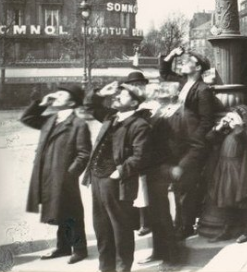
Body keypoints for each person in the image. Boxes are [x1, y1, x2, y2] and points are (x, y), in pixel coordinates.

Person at [84, 82, 151, 272]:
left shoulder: (140, 124)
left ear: (134, 102)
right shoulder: (110, 116)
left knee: (120, 228)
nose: (118, 96)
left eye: (124, 94)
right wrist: (100, 92)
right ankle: (105, 267)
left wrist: (119, 172)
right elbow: (90, 106)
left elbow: (140, 156)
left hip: (117, 182)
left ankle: (123, 268)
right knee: (101, 226)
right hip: (97, 178)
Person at [22, 84, 91, 265]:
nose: (56, 96)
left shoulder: (78, 124)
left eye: (61, 94)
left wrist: (70, 174)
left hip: (64, 176)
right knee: (58, 209)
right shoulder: (52, 119)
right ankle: (63, 247)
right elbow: (27, 118)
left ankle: (80, 249)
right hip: (47, 173)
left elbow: (84, 153)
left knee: (72, 211)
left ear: (72, 101)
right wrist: (41, 104)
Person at [139, 81, 205, 266]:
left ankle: (175, 259)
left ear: (175, 94)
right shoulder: (157, 113)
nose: (159, 91)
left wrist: (181, 167)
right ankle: (159, 252)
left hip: (177, 171)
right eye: (159, 89)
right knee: (157, 215)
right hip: (157, 170)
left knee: (178, 219)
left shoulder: (185, 114)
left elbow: (196, 146)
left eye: (165, 89)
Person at [159, 46, 215, 238]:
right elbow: (164, 73)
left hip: (192, 145)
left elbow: (207, 121)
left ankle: (185, 226)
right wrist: (172, 53)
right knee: (178, 186)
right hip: (177, 142)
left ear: (198, 67)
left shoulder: (203, 89)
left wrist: (194, 142)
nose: (183, 63)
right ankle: (180, 223)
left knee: (187, 187)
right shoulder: (183, 82)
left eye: (187, 61)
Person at [206, 104, 247, 244]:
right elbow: (209, 138)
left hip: (239, 170)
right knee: (225, 199)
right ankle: (226, 230)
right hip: (225, 169)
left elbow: (246, 139)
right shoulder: (226, 132)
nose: (229, 121)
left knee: (244, 200)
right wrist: (219, 127)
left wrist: (237, 125)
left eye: (233, 117)